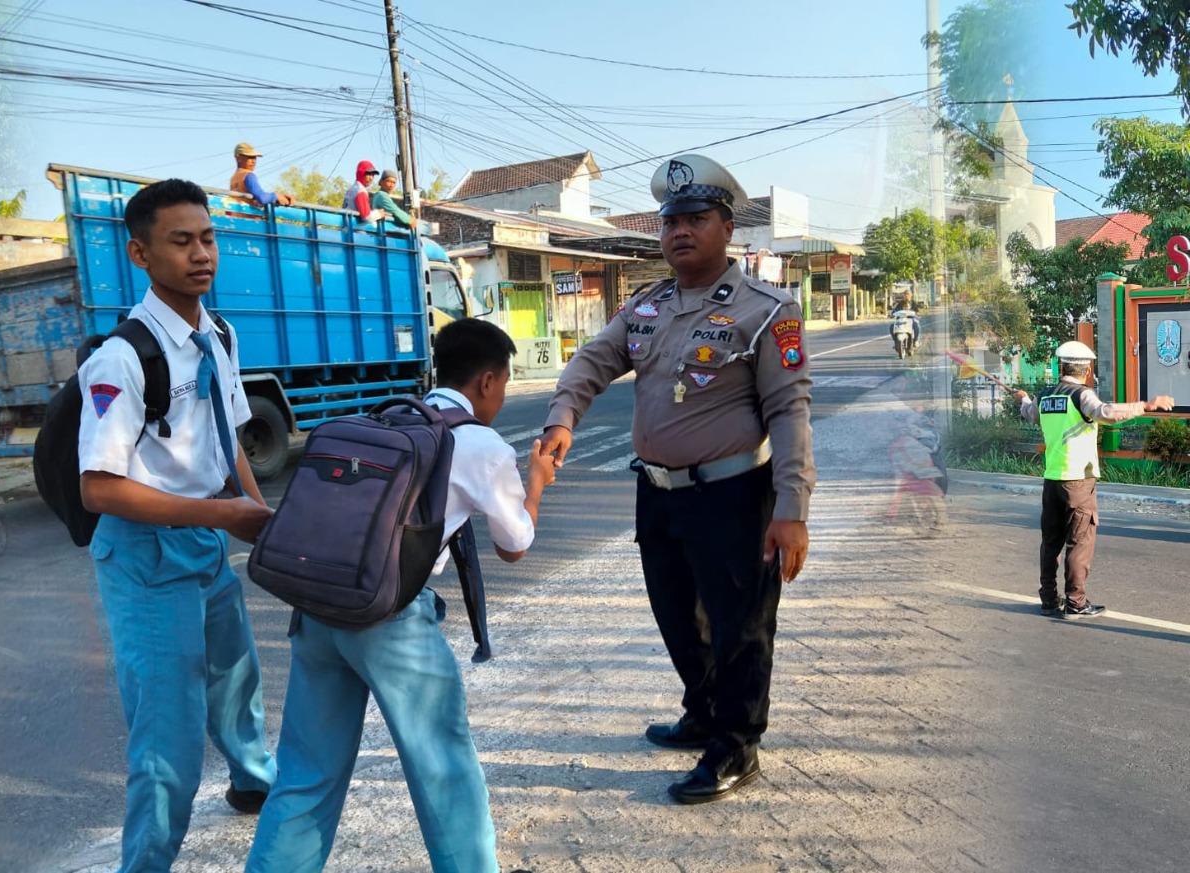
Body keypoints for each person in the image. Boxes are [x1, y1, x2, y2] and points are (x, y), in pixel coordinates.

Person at [540, 154, 814, 804]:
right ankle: (703, 710)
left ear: (726, 228)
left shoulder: (769, 311)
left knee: (739, 624)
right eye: (671, 222)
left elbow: (790, 408)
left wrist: (792, 505)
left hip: (734, 497)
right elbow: (593, 360)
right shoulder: (646, 306)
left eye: (695, 219)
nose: (679, 232)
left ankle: (736, 744)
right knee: (676, 617)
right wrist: (562, 416)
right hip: (658, 494)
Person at [245, 318, 555, 873]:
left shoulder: (387, 417)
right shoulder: (481, 444)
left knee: (306, 776)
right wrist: (535, 482)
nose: (503, 398)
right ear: (487, 381)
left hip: (318, 612)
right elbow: (515, 545)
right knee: (444, 772)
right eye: (505, 385)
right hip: (389, 621)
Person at [76, 178, 277, 872]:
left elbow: (229, 443)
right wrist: (222, 513)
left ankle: (253, 779)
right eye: (181, 241)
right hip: (143, 555)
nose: (202, 254)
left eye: (209, 238)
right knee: (168, 742)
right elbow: (98, 486)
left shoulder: (218, 334)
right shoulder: (123, 359)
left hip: (205, 539)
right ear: (140, 252)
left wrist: (255, 514)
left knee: (235, 676)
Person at [1014, 341, 1173, 619]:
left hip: (1051, 480)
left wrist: (1023, 399)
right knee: (1079, 542)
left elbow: (1029, 413)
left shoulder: (1046, 396)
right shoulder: (1081, 395)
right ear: (1087, 371)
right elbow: (1106, 413)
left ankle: (1049, 600)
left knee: (1051, 543)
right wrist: (1146, 405)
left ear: (1060, 366)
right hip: (1078, 482)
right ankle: (1076, 602)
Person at [229, 141, 294, 207]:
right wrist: (276, 196)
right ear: (239, 158)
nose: (254, 161)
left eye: (255, 158)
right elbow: (262, 198)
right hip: (250, 216)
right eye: (250, 157)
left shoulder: (233, 178)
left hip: (237, 215)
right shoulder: (248, 175)